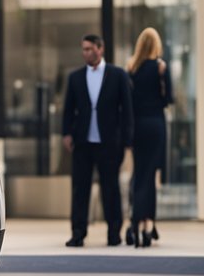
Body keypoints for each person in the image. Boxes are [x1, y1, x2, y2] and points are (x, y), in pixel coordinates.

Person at [61, 33, 134, 248]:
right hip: (82, 142)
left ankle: (114, 233)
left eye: (89, 49)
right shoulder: (75, 77)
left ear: (100, 49)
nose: (85, 53)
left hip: (109, 142)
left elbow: (127, 110)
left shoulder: (118, 75)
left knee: (110, 188)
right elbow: (68, 110)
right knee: (80, 189)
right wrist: (66, 133)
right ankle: (78, 233)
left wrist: (127, 140)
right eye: (83, 49)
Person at [126, 27, 173, 248]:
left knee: (140, 174)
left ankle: (136, 222)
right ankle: (147, 224)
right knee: (150, 176)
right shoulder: (161, 67)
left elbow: (128, 101)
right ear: (156, 45)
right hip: (155, 125)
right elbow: (168, 99)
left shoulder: (131, 68)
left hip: (137, 126)